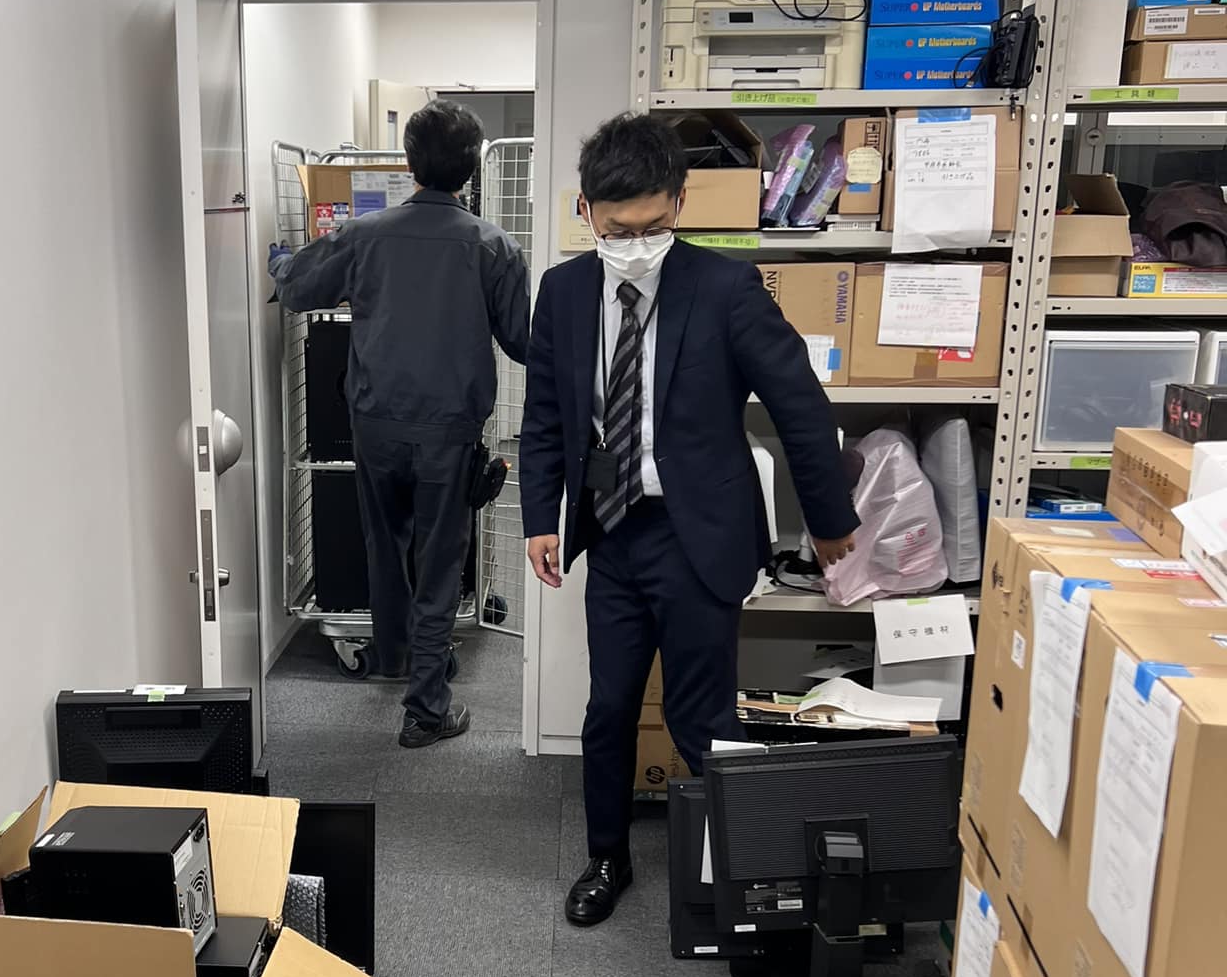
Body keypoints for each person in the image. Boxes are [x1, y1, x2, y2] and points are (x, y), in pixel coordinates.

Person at [520, 113, 858, 925]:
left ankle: (738, 876)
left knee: (700, 716)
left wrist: (827, 521)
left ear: (678, 202)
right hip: (613, 528)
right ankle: (607, 856)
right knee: (608, 709)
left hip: (699, 533)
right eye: (618, 229)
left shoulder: (725, 288)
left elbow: (800, 405)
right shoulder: (563, 292)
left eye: (652, 225)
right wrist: (540, 517)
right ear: (586, 211)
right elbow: (544, 416)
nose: (635, 243)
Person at [272, 101, 529, 747]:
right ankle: (426, 708)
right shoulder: (493, 246)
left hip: (377, 422)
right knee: (440, 561)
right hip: (449, 428)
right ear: (472, 169)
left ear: (409, 163)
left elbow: (298, 288)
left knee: (385, 546)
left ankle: (398, 658)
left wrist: (279, 259)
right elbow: (524, 341)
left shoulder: (365, 235)